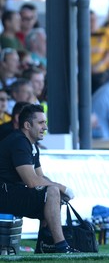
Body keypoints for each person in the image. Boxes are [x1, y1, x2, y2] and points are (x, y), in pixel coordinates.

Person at [0, 104, 79, 253]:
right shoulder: (19, 142)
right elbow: (32, 181)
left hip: (9, 192)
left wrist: (57, 191)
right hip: (3, 193)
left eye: (45, 123)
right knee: (52, 192)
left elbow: (40, 177)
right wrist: (64, 188)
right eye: (41, 123)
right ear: (27, 125)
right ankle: (61, 246)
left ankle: (45, 244)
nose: (45, 127)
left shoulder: (32, 145)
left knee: (51, 193)